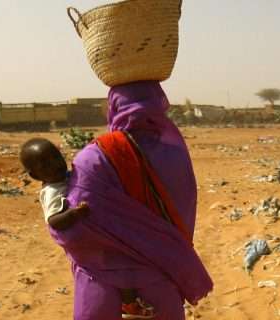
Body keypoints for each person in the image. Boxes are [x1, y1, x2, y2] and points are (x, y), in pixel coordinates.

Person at [51, 81, 212, 319]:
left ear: (113, 107)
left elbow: (73, 230)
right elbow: (183, 215)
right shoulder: (177, 155)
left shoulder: (94, 157)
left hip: (101, 285)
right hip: (160, 278)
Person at [19, 138, 157, 319]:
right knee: (118, 267)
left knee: (121, 262)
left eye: (55, 157)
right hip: (87, 243)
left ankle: (129, 302)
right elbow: (53, 220)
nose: (54, 165)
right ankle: (129, 305)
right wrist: (75, 214)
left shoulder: (68, 177)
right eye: (45, 164)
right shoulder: (51, 191)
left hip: (97, 236)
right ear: (36, 176)